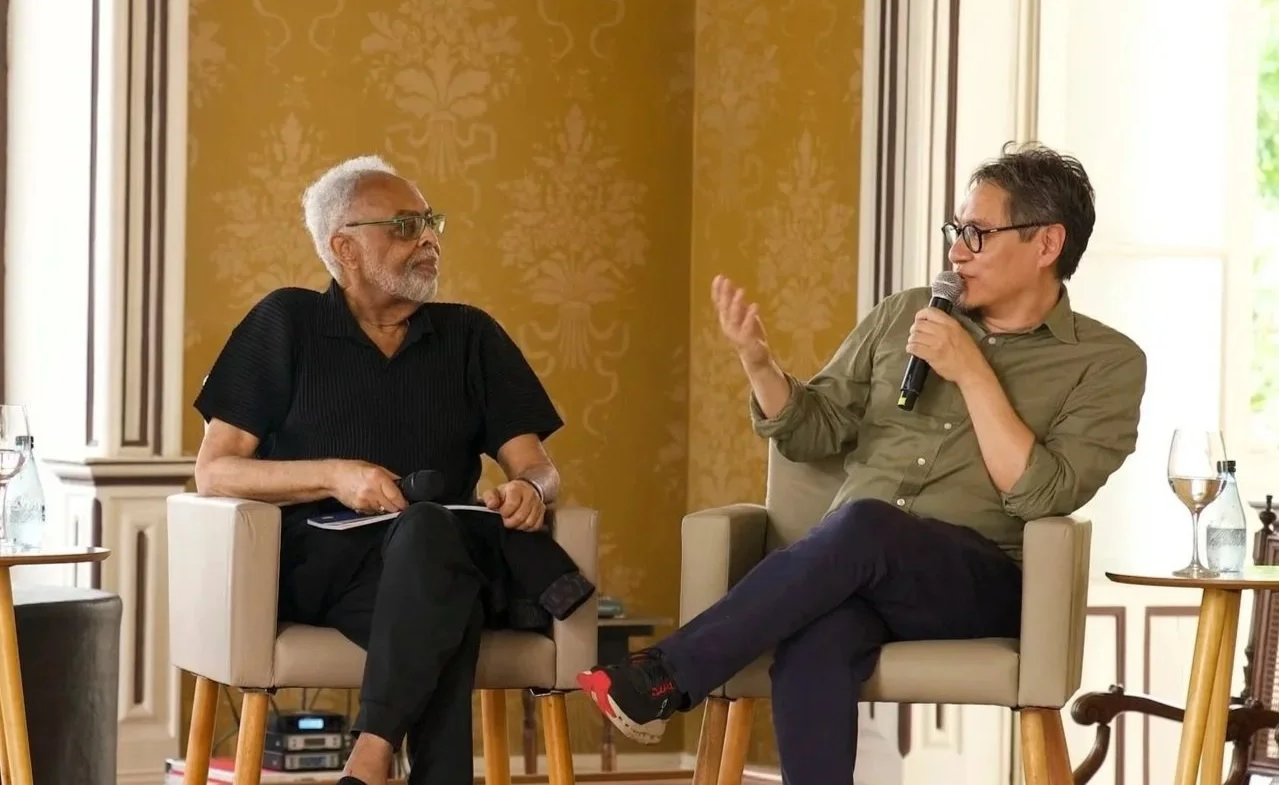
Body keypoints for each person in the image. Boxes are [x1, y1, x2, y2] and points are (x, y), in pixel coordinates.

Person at [577, 143, 1148, 784]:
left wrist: (970, 372)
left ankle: (662, 676)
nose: (956, 250)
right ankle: (660, 682)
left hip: (975, 581)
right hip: (853, 569)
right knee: (816, 640)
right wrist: (761, 367)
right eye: (956, 230)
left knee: (864, 524)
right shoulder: (904, 313)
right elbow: (814, 430)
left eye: (978, 234)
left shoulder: (1106, 362)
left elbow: (1043, 494)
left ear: (1047, 244)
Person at [192, 155, 565, 785]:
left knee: (430, 546)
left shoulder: (470, 335)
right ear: (345, 247)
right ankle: (377, 756)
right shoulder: (287, 322)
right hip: (324, 566)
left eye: (430, 222)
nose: (429, 239)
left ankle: (369, 755)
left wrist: (529, 489)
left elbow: (538, 466)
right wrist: (335, 476)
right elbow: (215, 471)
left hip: (438, 552)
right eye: (404, 225)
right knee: (449, 606)